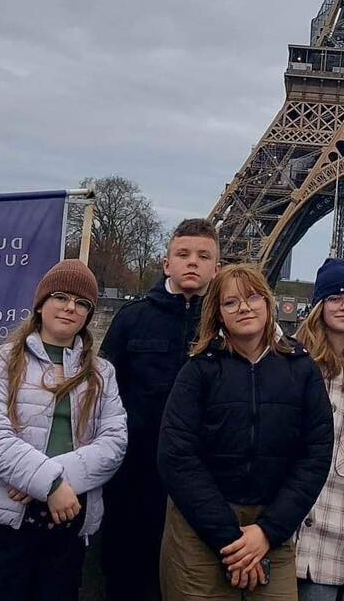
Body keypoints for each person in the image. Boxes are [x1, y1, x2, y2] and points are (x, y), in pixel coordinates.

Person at [157, 262, 334, 601]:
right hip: (200, 525)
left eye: (253, 298)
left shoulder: (302, 369)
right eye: (231, 302)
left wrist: (266, 533)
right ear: (218, 313)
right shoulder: (198, 370)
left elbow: (316, 454)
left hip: (271, 525)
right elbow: (176, 456)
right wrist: (231, 539)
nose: (244, 308)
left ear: (268, 303)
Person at [0, 260, 127, 601]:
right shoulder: (4, 360)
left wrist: (50, 481)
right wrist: (47, 483)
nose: (70, 307)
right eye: (61, 297)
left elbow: (113, 444)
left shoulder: (102, 373)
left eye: (82, 303)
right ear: (41, 303)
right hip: (2, 526)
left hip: (65, 524)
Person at [100, 217, 219, 600]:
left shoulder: (227, 325)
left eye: (203, 256)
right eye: (183, 254)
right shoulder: (132, 319)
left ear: (216, 268)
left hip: (202, 482)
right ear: (166, 264)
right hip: (133, 477)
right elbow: (100, 397)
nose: (192, 262)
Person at [293, 259, 344, 601]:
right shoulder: (289, 366)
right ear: (318, 306)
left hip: (332, 552)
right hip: (278, 541)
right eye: (335, 298)